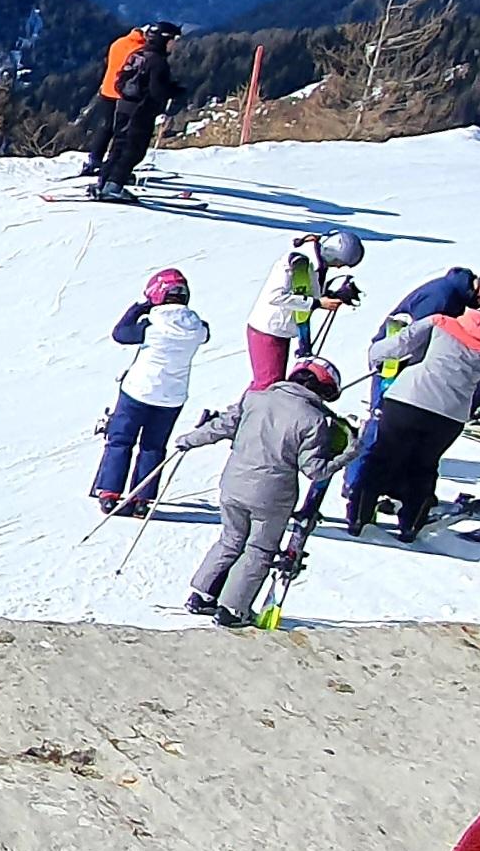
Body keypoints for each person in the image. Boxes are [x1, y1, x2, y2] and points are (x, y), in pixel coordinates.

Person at [176, 357, 352, 628]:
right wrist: (349, 452)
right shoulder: (314, 420)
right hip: (272, 496)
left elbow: (222, 426)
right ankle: (232, 610)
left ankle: (201, 595)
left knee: (231, 539)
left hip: (233, 485)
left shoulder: (255, 399)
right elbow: (314, 471)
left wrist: (188, 440)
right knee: (258, 550)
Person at [348, 303, 480, 540]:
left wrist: (376, 356)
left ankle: (358, 517)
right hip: (449, 416)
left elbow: (399, 343)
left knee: (381, 457)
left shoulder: (440, 322)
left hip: (406, 400)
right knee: (424, 467)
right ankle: (411, 524)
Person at [95, 267, 213, 515]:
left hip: (138, 392)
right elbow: (205, 332)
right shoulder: (197, 328)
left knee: (121, 439)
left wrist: (141, 306)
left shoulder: (152, 325)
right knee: (153, 446)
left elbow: (120, 333)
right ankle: (142, 500)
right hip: (172, 397)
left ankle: (109, 493)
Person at [246, 228, 365, 389]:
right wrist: (317, 303)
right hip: (267, 330)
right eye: (339, 262)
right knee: (268, 385)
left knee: (269, 382)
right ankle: (248, 406)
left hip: (280, 329)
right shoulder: (298, 263)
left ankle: (246, 405)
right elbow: (275, 297)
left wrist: (334, 295)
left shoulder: (315, 264)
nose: (338, 267)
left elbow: (306, 291)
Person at [89, 20, 185, 198]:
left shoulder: (138, 54)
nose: (175, 45)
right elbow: (157, 91)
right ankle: (114, 187)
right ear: (165, 39)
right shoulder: (158, 62)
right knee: (133, 150)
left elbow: (121, 80)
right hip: (141, 111)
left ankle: (104, 182)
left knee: (118, 146)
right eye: (174, 40)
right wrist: (174, 91)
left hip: (123, 106)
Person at [75, 23, 150, 179]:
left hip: (107, 90)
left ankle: (94, 160)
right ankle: (113, 167)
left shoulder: (118, 43)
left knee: (105, 127)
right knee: (122, 133)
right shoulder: (141, 50)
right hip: (125, 94)